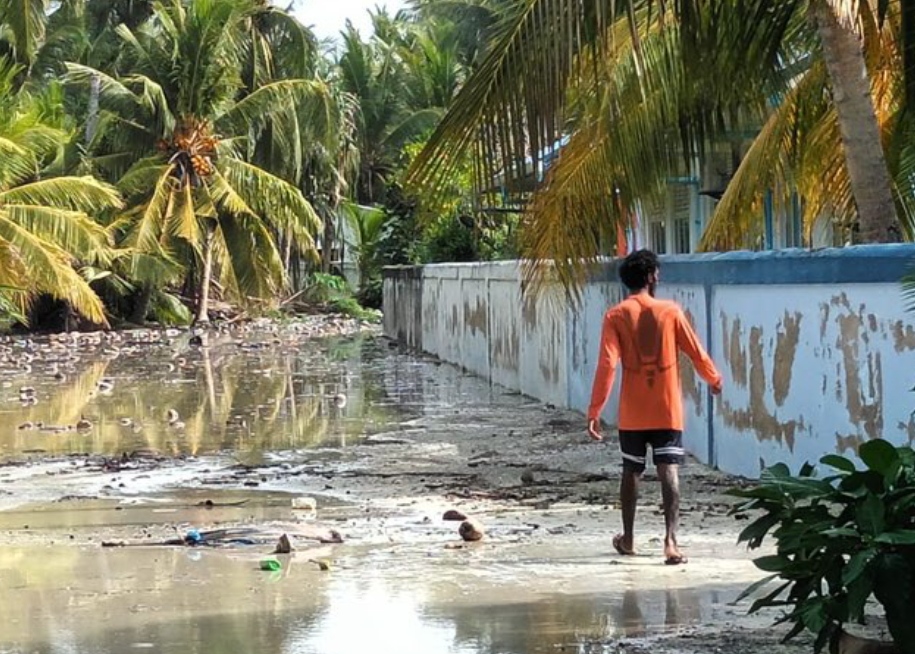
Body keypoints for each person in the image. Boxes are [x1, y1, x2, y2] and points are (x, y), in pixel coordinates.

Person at [587, 249, 722, 565]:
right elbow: (696, 352)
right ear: (650, 277)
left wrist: (595, 410)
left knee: (631, 470)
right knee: (668, 469)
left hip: (633, 411)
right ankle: (671, 543)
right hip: (666, 408)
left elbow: (607, 364)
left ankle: (629, 539)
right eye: (656, 273)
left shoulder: (616, 315)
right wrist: (713, 378)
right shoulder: (671, 312)